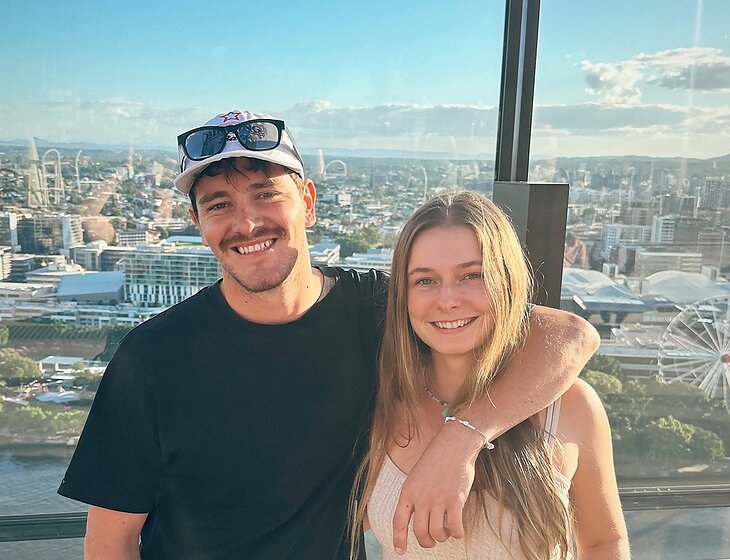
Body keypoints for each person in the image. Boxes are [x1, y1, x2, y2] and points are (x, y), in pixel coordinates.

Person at [58, 110, 599, 560]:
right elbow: (110, 543)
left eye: (266, 195)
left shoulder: (375, 311)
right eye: (219, 205)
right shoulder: (153, 358)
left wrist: (462, 439)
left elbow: (569, 335)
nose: (247, 223)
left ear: (309, 202)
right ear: (199, 224)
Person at [353, 191, 629, 559]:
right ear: (402, 296)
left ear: (507, 281)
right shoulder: (381, 405)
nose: (448, 300)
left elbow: (603, 541)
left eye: (472, 275)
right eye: (425, 281)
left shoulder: (570, 406)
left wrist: (461, 439)